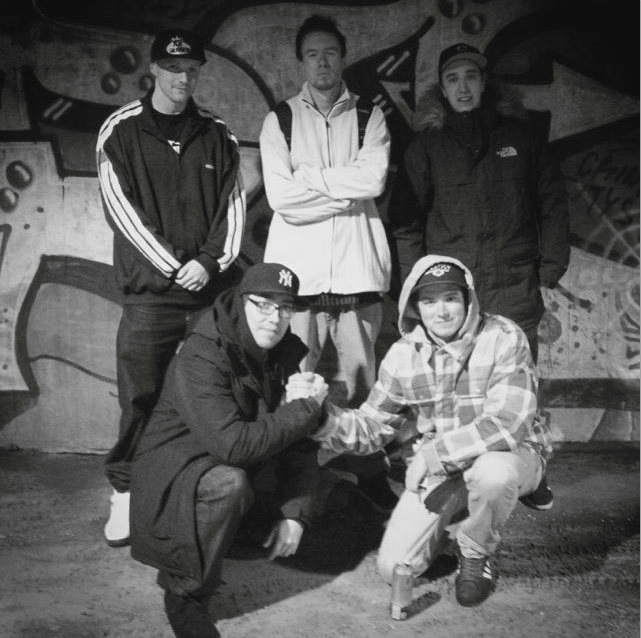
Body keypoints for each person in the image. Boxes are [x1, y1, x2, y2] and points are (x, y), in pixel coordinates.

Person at [287, 255, 553, 607]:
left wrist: (433, 454)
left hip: (509, 453)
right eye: (429, 301)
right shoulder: (403, 355)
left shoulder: (503, 335)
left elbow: (508, 424)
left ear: (468, 300)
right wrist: (319, 416)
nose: (441, 311)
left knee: (494, 475)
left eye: (450, 299)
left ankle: (476, 552)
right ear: (415, 307)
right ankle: (458, 520)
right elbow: (372, 427)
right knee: (393, 568)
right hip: (445, 470)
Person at [389, 42, 568, 509]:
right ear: (442, 88)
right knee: (454, 386)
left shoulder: (521, 138)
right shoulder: (425, 148)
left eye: (470, 76)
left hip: (513, 280)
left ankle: (532, 466)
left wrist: (551, 266)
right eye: (453, 79)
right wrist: (418, 286)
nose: (463, 87)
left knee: (521, 382)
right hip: (454, 291)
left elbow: (551, 201)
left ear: (485, 82)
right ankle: (457, 470)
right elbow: (406, 223)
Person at [96, 27, 246, 547]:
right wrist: (174, 266)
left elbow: (232, 208)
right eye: (174, 68)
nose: (183, 77)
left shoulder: (217, 133)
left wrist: (209, 262)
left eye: (192, 69)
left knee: (214, 394)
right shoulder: (120, 131)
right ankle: (125, 492)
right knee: (140, 398)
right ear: (154, 70)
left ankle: (206, 492)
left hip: (207, 296)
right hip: (149, 298)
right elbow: (121, 211)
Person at [129, 262, 328, 638]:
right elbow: (233, 446)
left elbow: (299, 441)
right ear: (241, 301)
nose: (275, 318)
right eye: (263, 304)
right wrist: (304, 409)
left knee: (335, 522)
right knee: (228, 484)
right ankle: (184, 592)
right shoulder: (203, 353)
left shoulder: (283, 353)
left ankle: (228, 535)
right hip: (176, 474)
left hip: (235, 462)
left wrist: (295, 515)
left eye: (285, 308)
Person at [259, 14, 397, 510]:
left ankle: (370, 470)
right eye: (312, 54)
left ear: (342, 57)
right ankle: (287, 478)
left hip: (357, 272)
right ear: (302, 61)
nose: (322, 62)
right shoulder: (280, 120)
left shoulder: (368, 116)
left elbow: (373, 181)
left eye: (330, 53)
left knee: (363, 386)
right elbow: (280, 197)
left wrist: (310, 181)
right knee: (294, 386)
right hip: (298, 279)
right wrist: (343, 187)